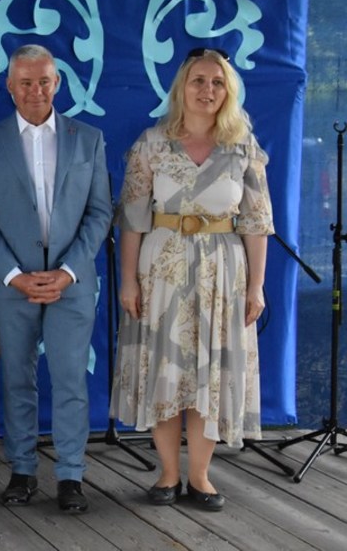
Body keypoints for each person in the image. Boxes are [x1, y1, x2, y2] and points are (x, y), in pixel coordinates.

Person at [111, 48, 272, 511]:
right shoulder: (152, 144)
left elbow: (257, 222)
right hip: (162, 270)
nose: (207, 90)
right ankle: (167, 473)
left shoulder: (242, 146)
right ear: (182, 87)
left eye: (217, 82)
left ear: (229, 91)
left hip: (224, 272)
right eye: (198, 80)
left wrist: (256, 285)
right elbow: (133, 219)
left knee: (210, 372)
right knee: (167, 369)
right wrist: (128, 281)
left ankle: (200, 476)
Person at [0, 43, 111, 514]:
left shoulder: (88, 139)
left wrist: (67, 271)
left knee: (70, 381)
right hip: (14, 286)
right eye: (25, 82)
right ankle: (22, 470)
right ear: (10, 86)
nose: (35, 90)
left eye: (43, 81)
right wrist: (14, 275)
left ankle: (71, 475)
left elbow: (100, 212)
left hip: (72, 282)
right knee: (17, 380)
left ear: (57, 83)